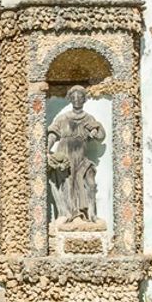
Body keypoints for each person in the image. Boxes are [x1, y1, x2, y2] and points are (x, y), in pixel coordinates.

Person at [47, 85, 105, 224]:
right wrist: (46, 149)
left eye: (80, 97)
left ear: (84, 99)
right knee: (67, 182)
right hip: (65, 155)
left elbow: (100, 135)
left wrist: (95, 132)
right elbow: (53, 134)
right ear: (70, 99)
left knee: (88, 183)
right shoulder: (63, 118)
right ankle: (67, 214)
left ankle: (88, 214)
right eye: (74, 97)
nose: (77, 99)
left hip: (81, 156)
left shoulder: (89, 118)